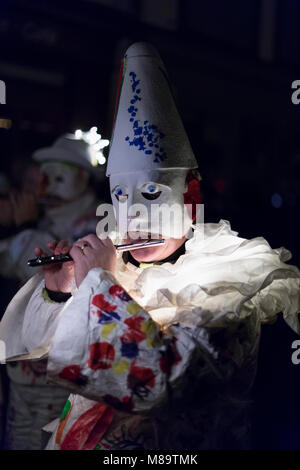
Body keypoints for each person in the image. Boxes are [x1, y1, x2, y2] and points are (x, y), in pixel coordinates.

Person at [1, 42, 300, 450]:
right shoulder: (119, 266)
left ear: (190, 197)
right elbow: (49, 353)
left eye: (153, 193)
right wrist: (59, 291)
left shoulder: (229, 279)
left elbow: (160, 380)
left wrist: (99, 284)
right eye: (121, 196)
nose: (134, 216)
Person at [0, 129, 109, 449]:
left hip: (61, 373)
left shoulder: (97, 223)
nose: (48, 186)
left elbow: (62, 273)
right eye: (47, 176)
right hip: (23, 367)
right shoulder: (46, 218)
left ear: (85, 179)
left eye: (62, 176)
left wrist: (24, 230)